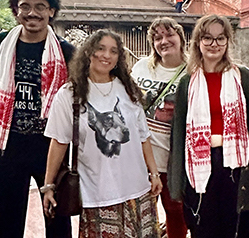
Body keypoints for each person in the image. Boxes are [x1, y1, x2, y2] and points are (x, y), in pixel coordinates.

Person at [42, 30, 163, 238]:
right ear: (89, 52)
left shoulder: (129, 90)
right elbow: (59, 142)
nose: (106, 55)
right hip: (96, 193)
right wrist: (48, 185)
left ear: (119, 57)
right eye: (101, 48)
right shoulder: (69, 94)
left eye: (113, 51)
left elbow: (143, 137)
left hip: (137, 190)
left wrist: (153, 173)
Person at [0, 0, 75, 238]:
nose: (32, 13)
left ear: (52, 12)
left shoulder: (67, 52)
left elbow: (73, 100)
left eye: (40, 7)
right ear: (16, 11)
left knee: (57, 221)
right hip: (7, 145)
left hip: (50, 148)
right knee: (5, 222)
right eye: (25, 6)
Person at [168, 14, 249, 238]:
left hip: (237, 168)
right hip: (200, 167)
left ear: (228, 42)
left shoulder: (244, 78)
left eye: (220, 38)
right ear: (197, 42)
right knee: (203, 229)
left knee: (236, 229)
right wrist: (177, 183)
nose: (214, 44)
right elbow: (179, 135)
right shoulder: (187, 83)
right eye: (208, 38)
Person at [130, 17, 188, 238]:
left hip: (172, 158)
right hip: (140, 158)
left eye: (169, 35)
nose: (164, 41)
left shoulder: (192, 71)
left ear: (180, 38)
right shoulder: (142, 67)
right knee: (140, 214)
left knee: (176, 213)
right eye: (157, 37)